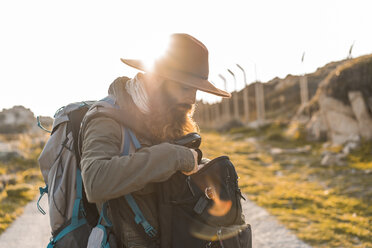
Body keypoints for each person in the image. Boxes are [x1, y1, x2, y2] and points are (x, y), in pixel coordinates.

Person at [80, 33, 231, 248]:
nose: (193, 99)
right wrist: (174, 157)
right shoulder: (106, 118)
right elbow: (95, 181)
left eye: (196, 89)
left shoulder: (166, 114)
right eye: (185, 87)